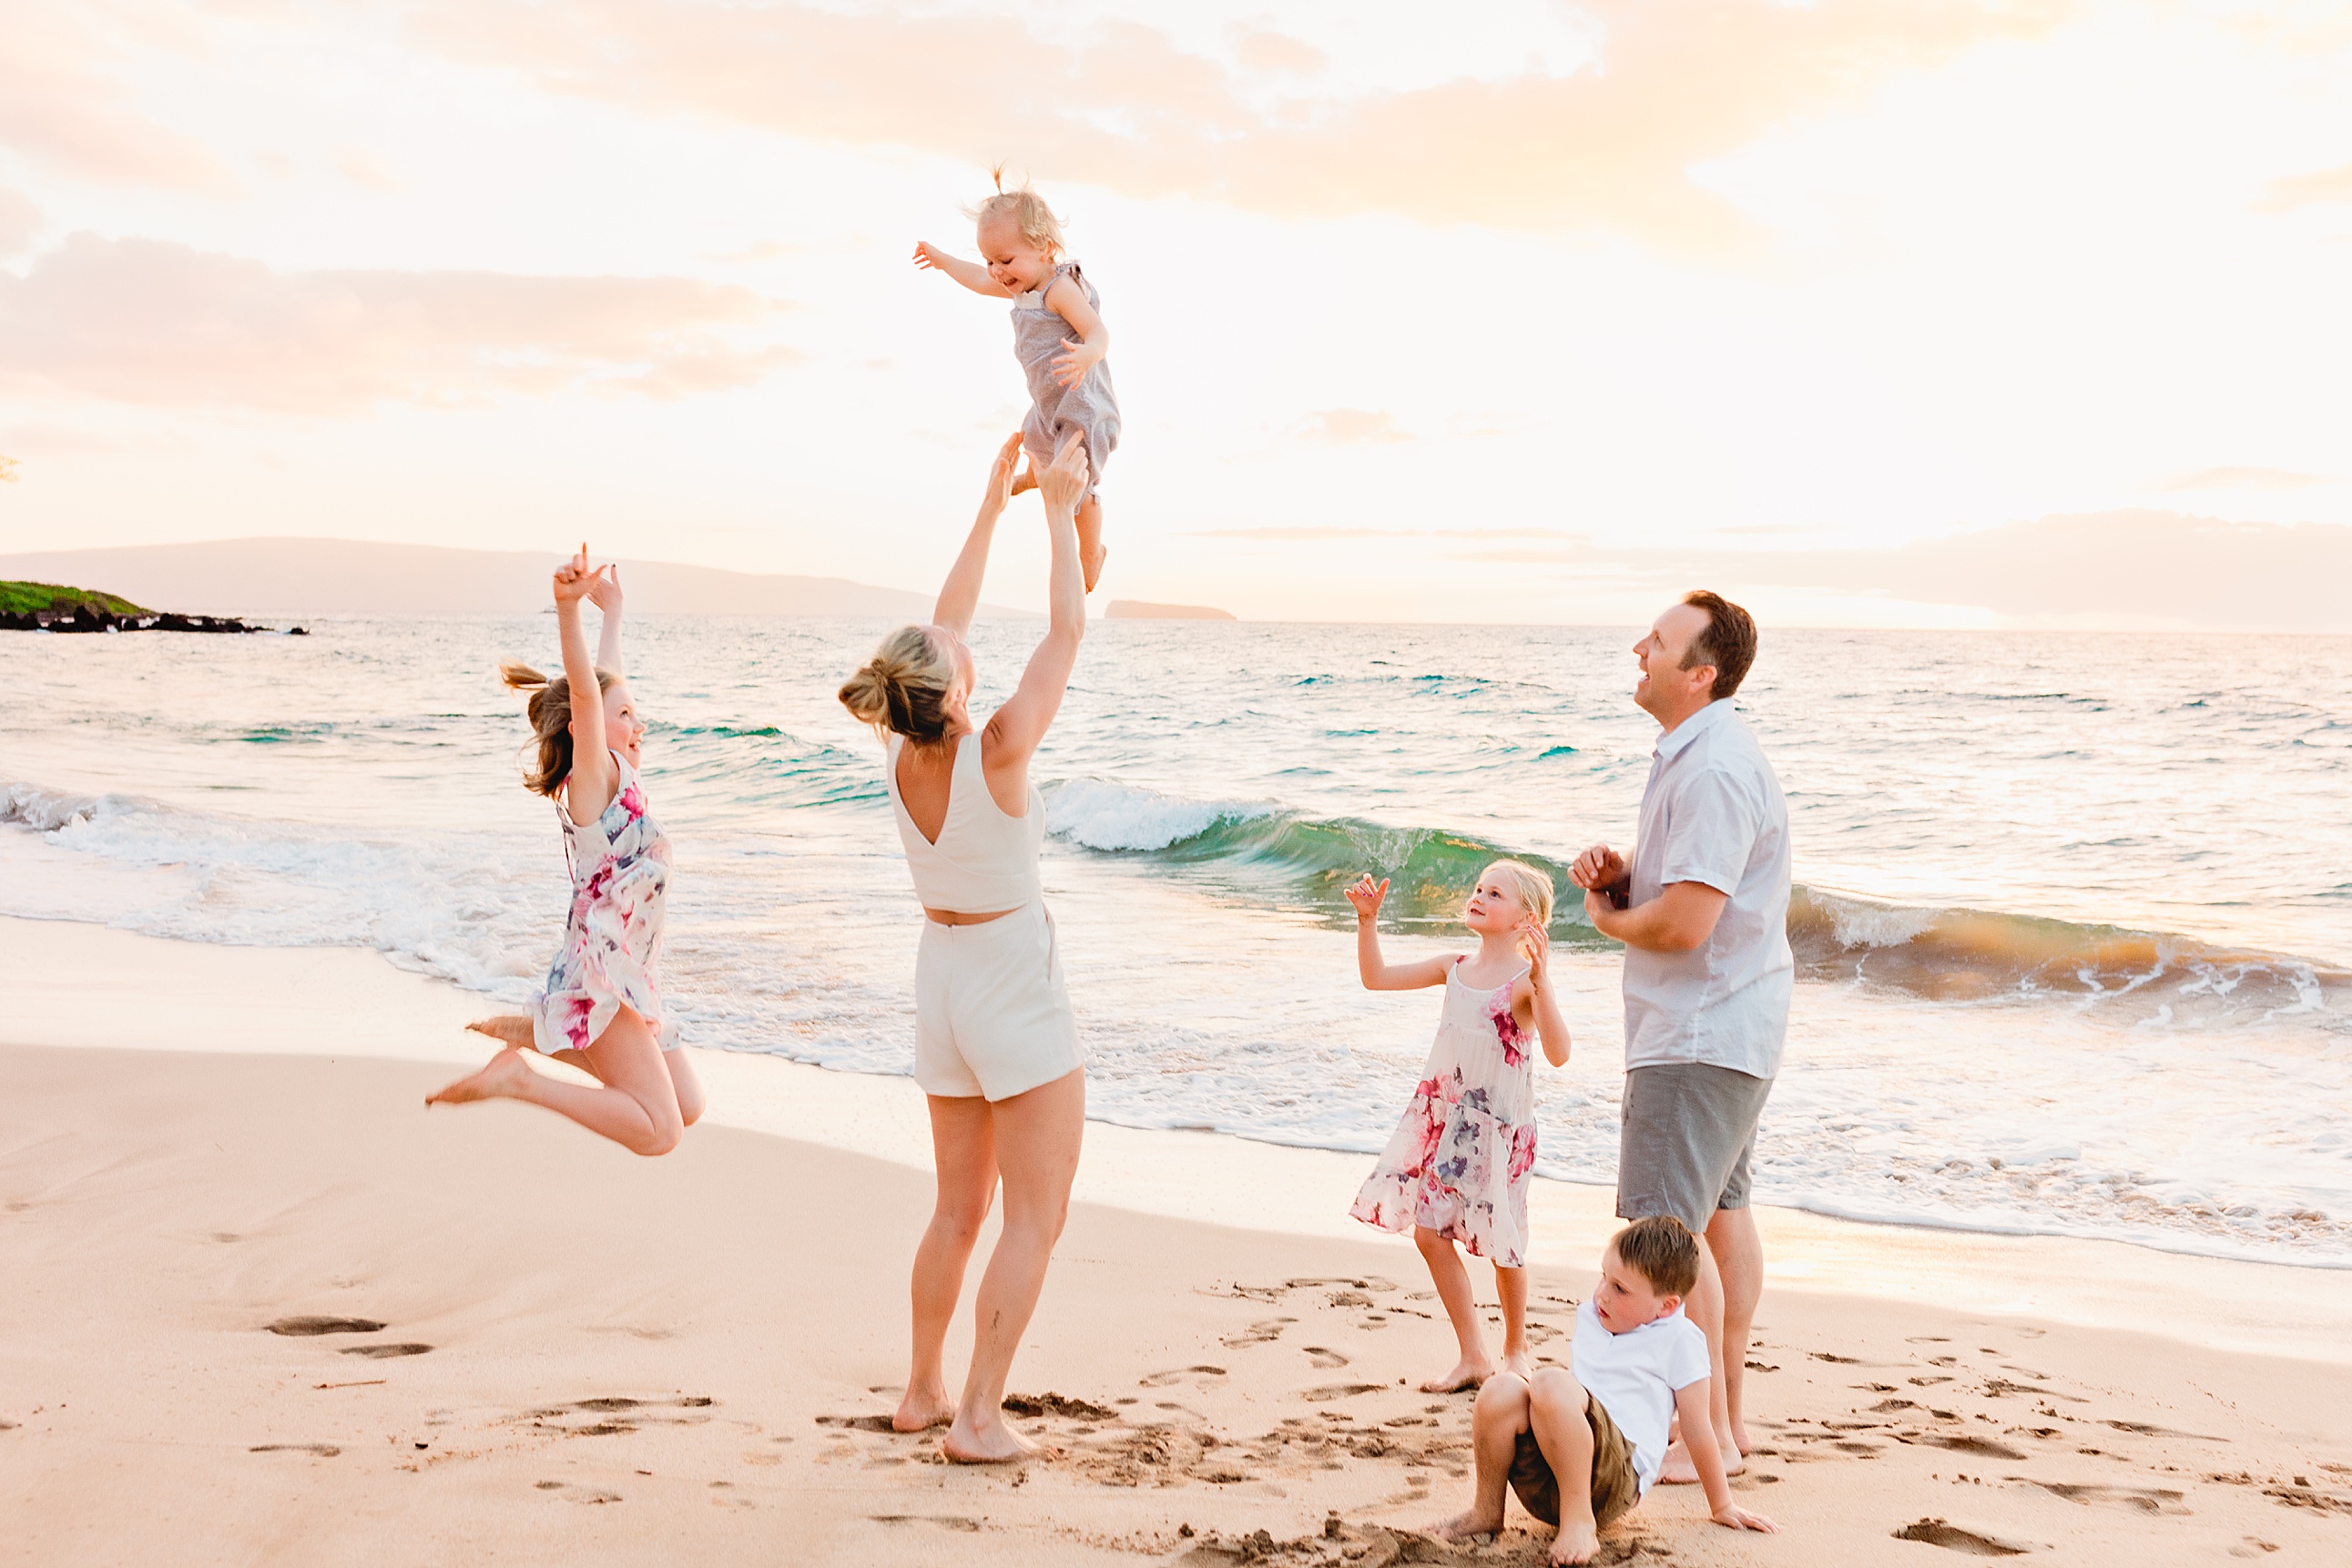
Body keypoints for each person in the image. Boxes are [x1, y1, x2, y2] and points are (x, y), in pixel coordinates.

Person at [837, 432, 1091, 1463]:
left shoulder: (902, 748)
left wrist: (990, 505)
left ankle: (921, 1390)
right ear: (947, 690)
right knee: (1034, 1216)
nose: (962, 643)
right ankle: (978, 1419)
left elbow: (943, 625)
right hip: (1012, 988)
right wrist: (1058, 510)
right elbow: (1068, 630)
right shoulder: (999, 748)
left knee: (957, 1211)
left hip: (940, 981)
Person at [1567, 590, 1790, 1483]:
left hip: (1696, 1032)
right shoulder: (1701, 756)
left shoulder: (1710, 769)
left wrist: (1603, 917)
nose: (1638, 649)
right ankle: (1727, 1426)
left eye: (1656, 644)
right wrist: (1629, 881)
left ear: (1699, 673)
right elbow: (1690, 894)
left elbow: (1687, 926)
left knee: (1665, 1238)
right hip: (1729, 1025)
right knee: (1723, 1221)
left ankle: (1699, 1437)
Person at [427, 550, 707, 1153]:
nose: (639, 723)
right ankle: (522, 1079)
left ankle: (543, 1031)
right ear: (585, 730)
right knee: (660, 1132)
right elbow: (588, 693)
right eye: (627, 715)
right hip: (600, 976)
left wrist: (614, 616)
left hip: (630, 968)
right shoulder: (591, 784)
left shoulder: (618, 778)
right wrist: (568, 608)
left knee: (687, 1105)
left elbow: (603, 684)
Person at [1345, 861, 1573, 1392]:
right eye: (1478, 888)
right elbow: (1376, 979)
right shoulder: (1454, 966)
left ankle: (1517, 1349)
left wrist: (1544, 983)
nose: (1479, 897)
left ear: (1527, 920)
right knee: (1429, 1233)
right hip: (1446, 1120)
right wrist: (1367, 922)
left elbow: (1560, 1053)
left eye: (1495, 893)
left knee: (1504, 1241)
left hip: (1499, 1130)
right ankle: (1473, 1353)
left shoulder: (1522, 985)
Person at [1431, 1217, 1777, 1564]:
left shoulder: (1681, 1341)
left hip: (1615, 1478)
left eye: (1620, 1289)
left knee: (1550, 1382)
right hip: (1551, 1478)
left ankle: (1580, 1522)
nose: (1602, 1294)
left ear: (1666, 1306)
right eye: (1603, 1277)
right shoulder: (1595, 1316)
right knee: (1501, 1388)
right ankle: (1487, 1511)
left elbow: (1698, 1428)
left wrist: (1723, 1505)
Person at [913, 170, 1118, 592]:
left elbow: (1099, 333)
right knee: (1034, 437)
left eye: (1006, 261)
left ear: (1044, 249)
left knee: (1078, 480)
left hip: (1083, 406)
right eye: (991, 259)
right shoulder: (1022, 287)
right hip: (1050, 404)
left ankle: (1090, 553)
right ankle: (1033, 474)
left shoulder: (1059, 289)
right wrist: (941, 259)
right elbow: (976, 278)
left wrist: (1087, 355)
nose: (997, 271)